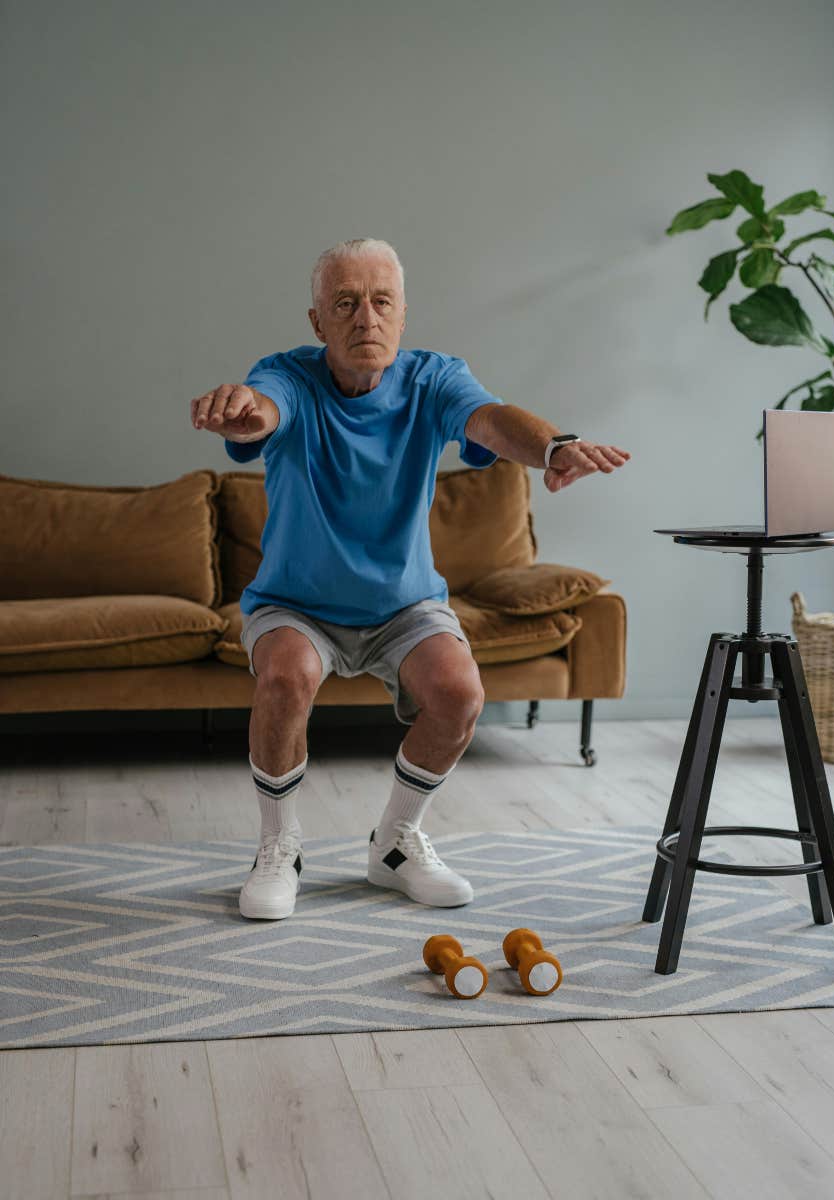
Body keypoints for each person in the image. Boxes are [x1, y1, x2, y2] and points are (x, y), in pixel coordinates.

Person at [190, 237, 630, 920]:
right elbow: (264, 407)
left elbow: (490, 418)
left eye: (380, 302)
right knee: (285, 676)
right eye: (345, 303)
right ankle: (279, 849)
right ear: (318, 323)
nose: (366, 318)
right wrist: (246, 412)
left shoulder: (433, 378)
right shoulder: (289, 375)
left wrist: (552, 445)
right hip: (295, 604)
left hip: (403, 605)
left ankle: (394, 845)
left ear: (401, 314)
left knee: (459, 694)